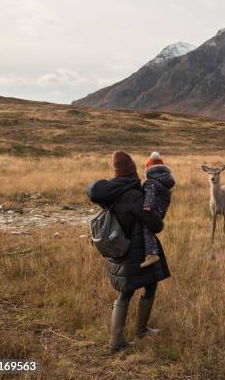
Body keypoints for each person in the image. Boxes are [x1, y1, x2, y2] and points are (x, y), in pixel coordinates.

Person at [86, 150, 170, 351]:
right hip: (136, 252)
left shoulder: (113, 192)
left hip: (120, 249)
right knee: (133, 291)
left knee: (134, 289)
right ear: (132, 172)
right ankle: (122, 339)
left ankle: (136, 332)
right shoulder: (132, 195)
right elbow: (155, 225)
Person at [140, 152, 175, 268]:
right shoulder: (165, 183)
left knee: (147, 229)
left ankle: (152, 253)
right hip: (161, 211)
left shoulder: (151, 182)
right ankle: (151, 253)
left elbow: (150, 192)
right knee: (149, 230)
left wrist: (147, 207)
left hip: (153, 210)